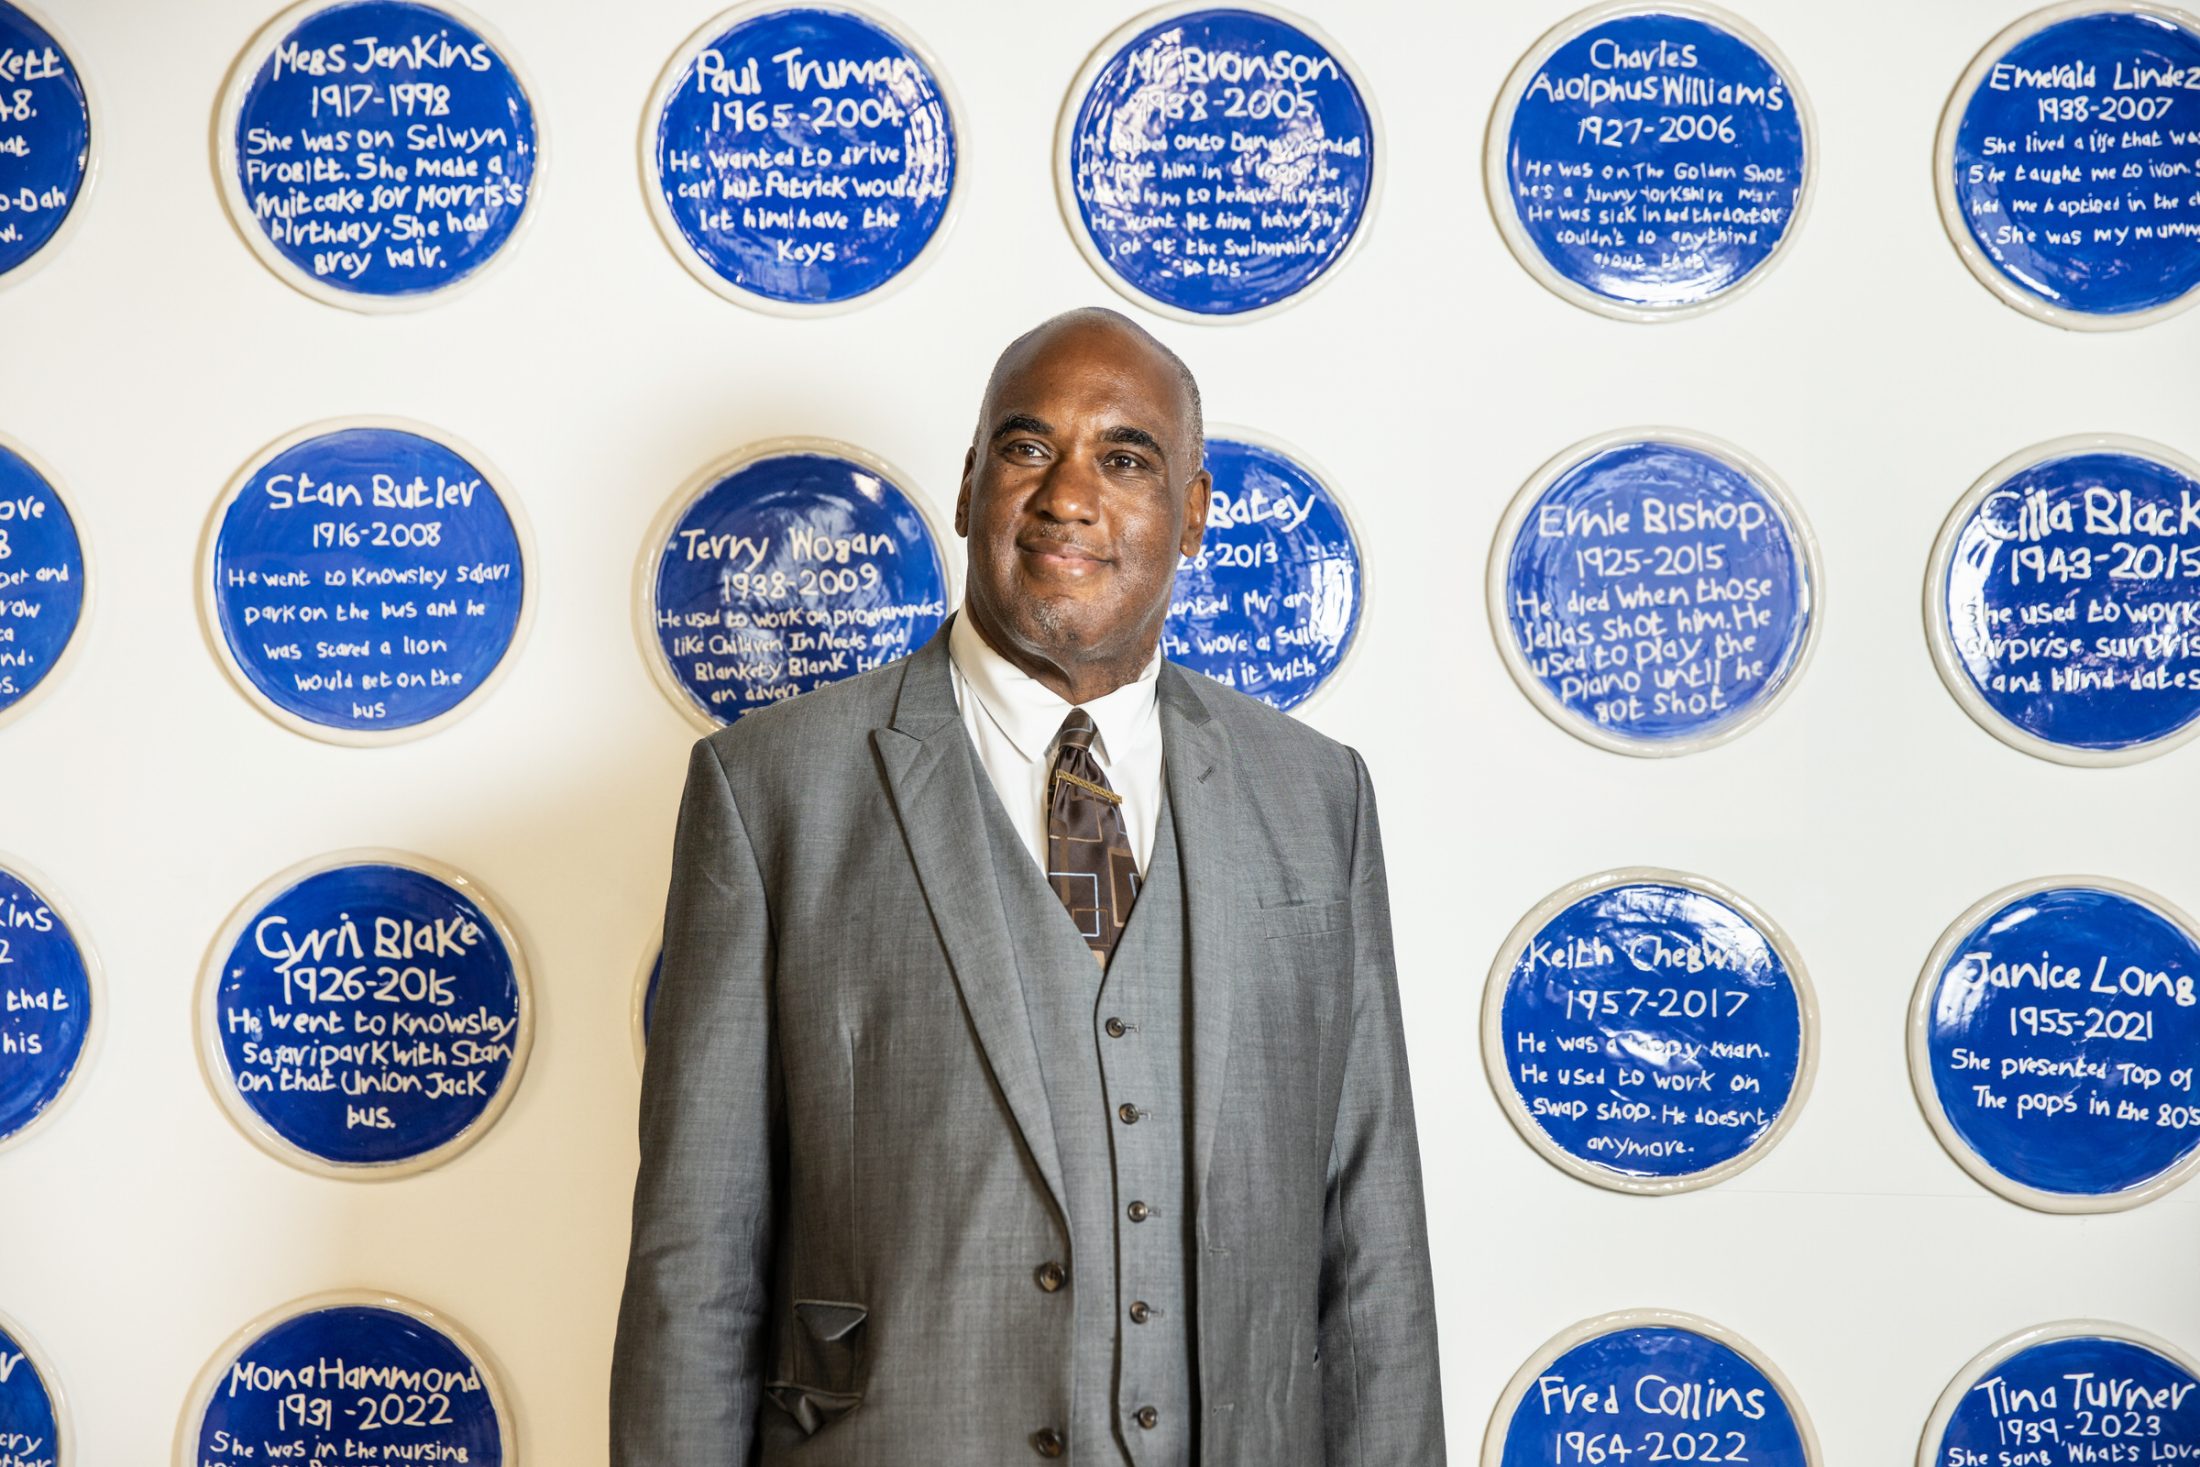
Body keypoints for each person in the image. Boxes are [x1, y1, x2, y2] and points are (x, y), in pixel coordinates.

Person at [609, 307, 1445, 1465]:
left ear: (1193, 512)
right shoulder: (770, 792)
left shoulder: (1318, 798)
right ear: (965, 491)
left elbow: (1375, 1254)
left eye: (1125, 457)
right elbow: (694, 1262)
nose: (1068, 495)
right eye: (1025, 447)